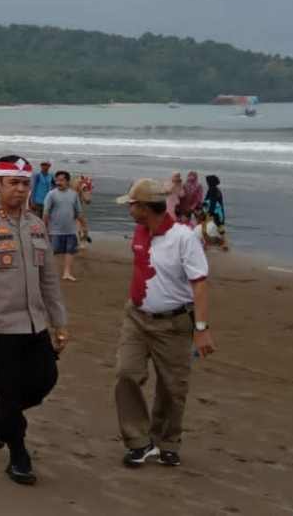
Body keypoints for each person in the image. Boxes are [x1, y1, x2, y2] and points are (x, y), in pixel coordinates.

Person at [0, 155, 68, 486]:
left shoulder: (36, 226)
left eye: (25, 183)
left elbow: (49, 279)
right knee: (9, 394)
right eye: (14, 183)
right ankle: (18, 457)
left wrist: (60, 323)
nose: (21, 190)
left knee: (45, 380)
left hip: (36, 326)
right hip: (0, 330)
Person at [114, 179, 215, 468]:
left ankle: (166, 441)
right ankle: (138, 441)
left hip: (173, 323)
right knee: (126, 374)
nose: (129, 209)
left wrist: (202, 329)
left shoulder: (184, 238)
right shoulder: (139, 231)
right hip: (136, 317)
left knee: (172, 387)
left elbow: (200, 285)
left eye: (132, 205)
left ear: (145, 208)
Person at [43, 170, 85, 282]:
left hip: (71, 230)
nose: (58, 182)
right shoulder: (51, 194)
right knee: (53, 252)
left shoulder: (74, 194)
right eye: (57, 180)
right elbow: (46, 212)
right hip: (55, 230)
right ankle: (50, 273)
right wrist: (45, 228)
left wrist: (84, 226)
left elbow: (79, 212)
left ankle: (67, 273)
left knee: (70, 251)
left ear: (67, 181)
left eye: (61, 180)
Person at [202, 175, 228, 251]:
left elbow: (212, 202)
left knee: (205, 227)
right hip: (219, 212)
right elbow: (207, 200)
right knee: (220, 228)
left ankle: (205, 245)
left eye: (207, 181)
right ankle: (224, 244)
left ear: (210, 182)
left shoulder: (212, 190)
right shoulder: (216, 189)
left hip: (214, 212)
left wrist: (209, 212)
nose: (207, 183)